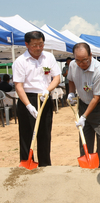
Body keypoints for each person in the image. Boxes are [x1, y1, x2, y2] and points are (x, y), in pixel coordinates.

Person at [12, 31, 61, 166]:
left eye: (41, 44)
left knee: (44, 134)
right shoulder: (21, 61)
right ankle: (27, 164)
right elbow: (19, 86)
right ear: (27, 45)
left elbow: (56, 77)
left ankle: (45, 165)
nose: (38, 48)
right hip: (27, 99)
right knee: (27, 135)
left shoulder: (49, 57)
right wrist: (28, 105)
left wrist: (48, 90)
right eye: (34, 45)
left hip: (44, 97)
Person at [67, 43, 100, 167]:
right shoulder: (72, 65)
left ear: (91, 56)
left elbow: (96, 97)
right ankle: (86, 168)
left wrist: (84, 117)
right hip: (83, 104)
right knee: (85, 140)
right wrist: (71, 93)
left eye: (84, 60)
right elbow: (70, 79)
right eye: (78, 60)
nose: (81, 64)